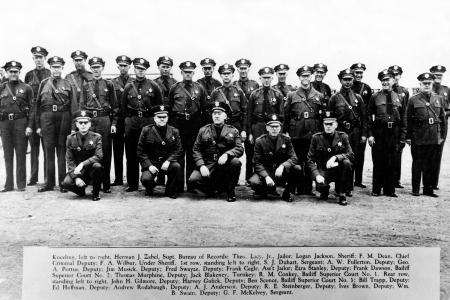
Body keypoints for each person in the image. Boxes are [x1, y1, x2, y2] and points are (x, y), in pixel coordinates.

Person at [34, 56, 77, 192]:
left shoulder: (68, 84)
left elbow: (73, 107)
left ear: (62, 68)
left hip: (63, 117)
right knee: (48, 151)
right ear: (50, 68)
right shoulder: (44, 83)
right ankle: (49, 183)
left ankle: (62, 183)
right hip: (46, 119)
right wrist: (38, 126)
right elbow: (38, 106)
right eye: (53, 67)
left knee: (61, 151)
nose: (56, 69)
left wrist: (72, 127)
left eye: (58, 67)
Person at [121, 58, 163, 192]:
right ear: (134, 69)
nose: (140, 71)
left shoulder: (153, 85)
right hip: (132, 122)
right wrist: (126, 123)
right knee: (131, 153)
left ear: (146, 70)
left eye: (143, 69)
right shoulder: (128, 86)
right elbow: (123, 107)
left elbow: (159, 106)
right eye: (138, 68)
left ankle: (148, 182)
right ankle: (132, 184)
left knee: (148, 152)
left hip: (148, 122)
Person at [188, 101, 243, 202]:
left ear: (225, 116)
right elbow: (196, 149)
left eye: (219, 114)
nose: (216, 116)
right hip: (208, 163)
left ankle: (230, 191)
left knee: (236, 162)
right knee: (193, 180)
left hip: (224, 163)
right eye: (214, 114)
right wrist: (201, 165)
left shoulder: (233, 130)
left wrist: (227, 154)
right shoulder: (203, 130)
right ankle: (212, 189)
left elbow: (239, 148)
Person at [283, 65, 325, 195]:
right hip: (296, 133)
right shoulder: (292, 95)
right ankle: (295, 187)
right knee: (297, 160)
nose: (305, 78)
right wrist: (285, 132)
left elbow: (321, 117)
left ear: (311, 76)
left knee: (309, 160)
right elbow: (286, 115)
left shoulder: (319, 95)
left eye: (307, 76)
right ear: (299, 77)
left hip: (312, 133)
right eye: (303, 76)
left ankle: (307, 188)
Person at [80, 57, 118, 193]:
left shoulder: (109, 84)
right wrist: (83, 123)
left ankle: (106, 184)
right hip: (91, 121)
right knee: (89, 151)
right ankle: (90, 181)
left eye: (98, 67)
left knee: (106, 152)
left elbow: (115, 107)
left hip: (104, 120)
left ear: (102, 68)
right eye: (93, 67)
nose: (96, 70)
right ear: (90, 69)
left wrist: (113, 123)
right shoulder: (85, 85)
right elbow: (82, 106)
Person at [168, 61, 207, 192]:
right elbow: (169, 107)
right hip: (178, 123)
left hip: (194, 124)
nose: (188, 74)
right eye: (186, 72)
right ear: (181, 73)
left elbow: (203, 108)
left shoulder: (199, 88)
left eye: (190, 72)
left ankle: (191, 186)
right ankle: (178, 186)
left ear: (194, 73)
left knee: (192, 154)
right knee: (178, 153)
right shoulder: (175, 88)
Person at [406, 72, 446, 197]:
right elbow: (408, 120)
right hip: (418, 137)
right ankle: (416, 189)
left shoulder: (438, 98)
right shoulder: (413, 99)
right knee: (417, 163)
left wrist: (442, 137)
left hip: (433, 137)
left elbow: (443, 119)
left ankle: (428, 189)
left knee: (431, 164)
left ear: (432, 84)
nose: (427, 86)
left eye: (429, 83)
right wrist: (408, 137)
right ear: (420, 84)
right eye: (424, 83)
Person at [328, 68, 367, 196]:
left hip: (355, 132)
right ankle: (339, 188)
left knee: (352, 159)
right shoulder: (334, 98)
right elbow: (329, 118)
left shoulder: (358, 98)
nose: (348, 82)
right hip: (340, 132)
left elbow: (364, 118)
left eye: (350, 79)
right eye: (345, 79)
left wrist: (363, 134)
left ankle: (349, 188)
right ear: (340, 80)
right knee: (339, 159)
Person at [367, 69, 406, 197]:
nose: (385, 83)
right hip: (379, 132)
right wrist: (370, 134)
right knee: (378, 161)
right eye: (383, 80)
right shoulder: (375, 97)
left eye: (387, 80)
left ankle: (390, 190)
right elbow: (368, 117)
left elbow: (403, 119)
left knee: (392, 161)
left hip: (394, 132)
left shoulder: (400, 97)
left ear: (393, 80)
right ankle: (376, 189)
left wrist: (402, 137)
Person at [249, 114, 301, 202]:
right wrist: (266, 176)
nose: (274, 129)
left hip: (281, 172)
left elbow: (294, 158)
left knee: (297, 168)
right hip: (267, 171)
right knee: (254, 181)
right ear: (267, 128)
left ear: (280, 128)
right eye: (271, 126)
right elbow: (256, 162)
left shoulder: (286, 140)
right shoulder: (260, 141)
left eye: (276, 126)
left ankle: (287, 193)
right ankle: (266, 190)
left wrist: (282, 166)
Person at [307, 111, 354, 206]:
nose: (328, 126)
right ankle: (324, 190)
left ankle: (342, 193)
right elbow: (310, 159)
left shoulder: (343, 136)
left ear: (336, 125)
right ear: (323, 125)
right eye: (326, 124)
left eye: (331, 124)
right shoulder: (316, 138)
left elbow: (351, 154)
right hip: (323, 170)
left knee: (347, 163)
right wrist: (316, 175)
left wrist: (335, 157)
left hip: (338, 170)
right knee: (322, 187)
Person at [246, 67, 284, 182]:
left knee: (271, 153)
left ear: (272, 78)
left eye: (268, 78)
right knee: (253, 153)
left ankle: (274, 178)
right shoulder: (254, 94)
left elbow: (281, 116)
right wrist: (250, 133)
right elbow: (248, 115)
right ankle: (250, 178)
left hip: (271, 127)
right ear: (260, 78)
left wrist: (280, 133)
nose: (266, 80)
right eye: (264, 78)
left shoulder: (277, 94)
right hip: (257, 126)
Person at [0, 61, 33, 192]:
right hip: (5, 124)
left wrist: (30, 126)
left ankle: (21, 184)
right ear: (7, 73)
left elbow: (32, 108)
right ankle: (8, 184)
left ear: (19, 72)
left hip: (21, 123)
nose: (13, 74)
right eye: (11, 71)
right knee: (8, 155)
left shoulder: (26, 88)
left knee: (20, 154)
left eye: (16, 71)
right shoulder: (1, 88)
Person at [137, 105, 183, 198]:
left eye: (164, 117)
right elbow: (140, 150)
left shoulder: (174, 131)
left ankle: (170, 190)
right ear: (154, 118)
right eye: (159, 117)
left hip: (167, 163)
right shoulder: (146, 130)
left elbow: (179, 149)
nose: (162, 119)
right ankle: (150, 187)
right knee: (146, 179)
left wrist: (168, 161)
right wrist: (149, 166)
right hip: (152, 162)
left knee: (176, 167)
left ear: (167, 118)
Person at [61, 110, 103, 201]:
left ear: (90, 124)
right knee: (66, 183)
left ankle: (96, 193)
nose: (83, 125)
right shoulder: (70, 138)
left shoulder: (97, 137)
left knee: (98, 166)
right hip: (78, 171)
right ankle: (80, 190)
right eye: (80, 122)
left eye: (86, 122)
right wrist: (76, 178)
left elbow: (99, 156)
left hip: (91, 170)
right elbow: (69, 160)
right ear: (76, 124)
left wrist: (83, 164)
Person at [24, 46, 51, 186]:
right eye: (36, 57)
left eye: (41, 57)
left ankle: (48, 178)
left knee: (47, 148)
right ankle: (33, 177)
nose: (38, 60)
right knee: (34, 148)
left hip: (46, 115)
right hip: (33, 115)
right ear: (33, 58)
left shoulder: (50, 73)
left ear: (45, 58)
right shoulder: (29, 75)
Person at [233, 58, 260, 182]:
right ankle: (234, 179)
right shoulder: (234, 84)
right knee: (234, 151)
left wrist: (248, 129)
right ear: (237, 69)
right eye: (240, 68)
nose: (243, 70)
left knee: (251, 153)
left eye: (245, 68)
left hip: (250, 123)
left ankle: (250, 179)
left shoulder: (254, 85)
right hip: (236, 123)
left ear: (248, 68)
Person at [111, 55, 134, 186]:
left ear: (129, 66)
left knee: (130, 151)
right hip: (118, 120)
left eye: (125, 65)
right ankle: (118, 178)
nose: (123, 67)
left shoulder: (134, 82)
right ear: (118, 66)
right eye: (121, 65)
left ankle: (131, 180)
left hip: (130, 119)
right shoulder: (113, 82)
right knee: (118, 151)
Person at [350, 63, 372, 188]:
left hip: (360, 126)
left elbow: (367, 113)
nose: (358, 75)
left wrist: (366, 132)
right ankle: (348, 178)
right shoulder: (348, 86)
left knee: (360, 154)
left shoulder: (366, 88)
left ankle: (358, 180)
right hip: (349, 126)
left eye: (360, 72)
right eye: (356, 72)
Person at [209, 63, 247, 135]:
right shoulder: (216, 92)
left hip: (236, 125)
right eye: (224, 74)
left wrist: (244, 130)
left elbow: (245, 112)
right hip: (220, 126)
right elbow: (210, 112)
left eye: (228, 73)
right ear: (220, 75)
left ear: (232, 75)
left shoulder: (239, 91)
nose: (226, 76)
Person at [389, 65, 410, 189]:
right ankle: (387, 179)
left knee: (398, 154)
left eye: (397, 74)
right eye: (393, 75)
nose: (395, 77)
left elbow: (405, 113)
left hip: (398, 127)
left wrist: (405, 132)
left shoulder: (404, 92)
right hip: (386, 128)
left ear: (400, 75)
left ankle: (396, 180)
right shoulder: (384, 91)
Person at [430, 65, 450, 190]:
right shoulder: (427, 88)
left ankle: (434, 183)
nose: (438, 77)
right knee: (427, 153)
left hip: (442, 126)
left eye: (440, 75)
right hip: (428, 126)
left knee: (438, 153)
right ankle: (426, 182)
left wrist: (442, 115)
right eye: (436, 75)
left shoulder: (446, 90)